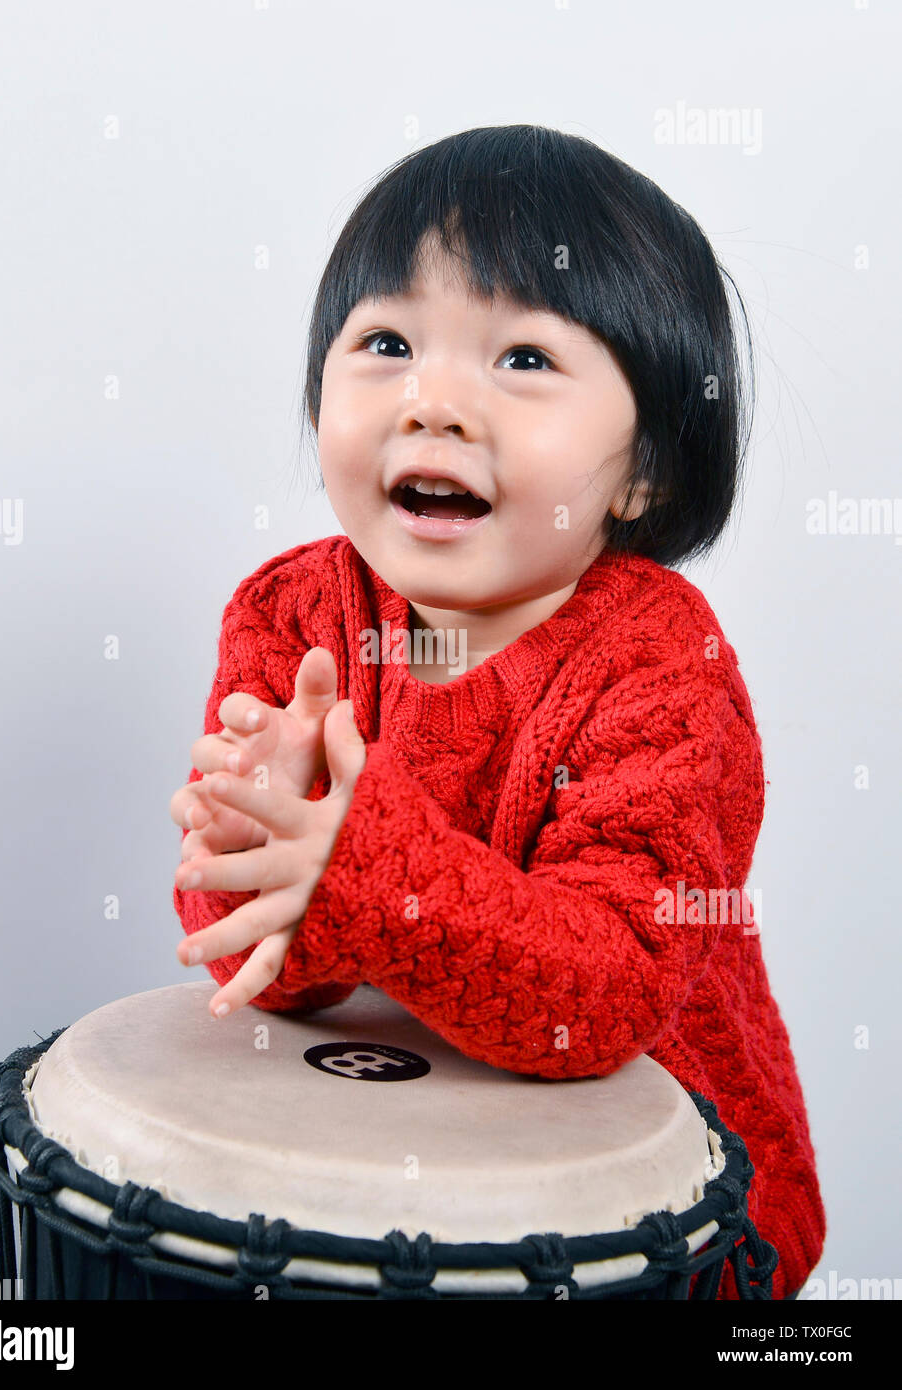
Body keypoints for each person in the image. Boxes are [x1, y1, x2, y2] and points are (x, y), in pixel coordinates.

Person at [169, 125, 824, 1300]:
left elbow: (604, 993)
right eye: (385, 343)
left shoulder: (663, 665)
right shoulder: (293, 611)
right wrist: (258, 848)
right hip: (401, 1174)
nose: (433, 401)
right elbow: (262, 970)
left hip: (657, 1222)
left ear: (643, 472)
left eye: (521, 359)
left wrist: (359, 864)